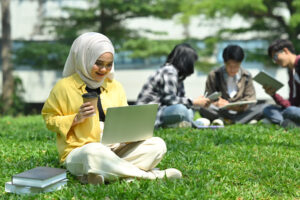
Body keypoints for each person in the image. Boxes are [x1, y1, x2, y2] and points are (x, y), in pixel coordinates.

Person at [42, 32, 182, 185]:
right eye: (99, 63)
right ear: (84, 58)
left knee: (157, 145)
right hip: (81, 150)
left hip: (116, 148)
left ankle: (100, 174)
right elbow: (49, 119)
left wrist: (134, 130)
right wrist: (76, 118)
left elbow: (125, 119)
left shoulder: (115, 87)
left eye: (109, 65)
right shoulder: (63, 87)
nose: (104, 70)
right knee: (93, 152)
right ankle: (150, 176)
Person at [136, 43, 211, 128]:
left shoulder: (178, 76)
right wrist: (193, 102)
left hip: (162, 109)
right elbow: (170, 99)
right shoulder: (169, 71)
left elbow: (181, 99)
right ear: (186, 61)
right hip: (148, 114)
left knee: (189, 110)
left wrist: (197, 103)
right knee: (181, 110)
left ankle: (179, 123)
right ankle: (180, 122)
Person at [199, 44, 266, 124]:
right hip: (221, 111)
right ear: (224, 62)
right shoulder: (214, 75)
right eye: (230, 66)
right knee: (203, 108)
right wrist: (217, 103)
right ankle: (240, 121)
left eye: (236, 66)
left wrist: (241, 107)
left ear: (241, 63)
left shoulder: (247, 75)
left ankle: (226, 121)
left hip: (241, 112)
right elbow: (208, 98)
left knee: (263, 107)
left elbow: (251, 98)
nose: (233, 69)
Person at [262, 39, 300, 128]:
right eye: (273, 59)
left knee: (290, 111)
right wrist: (273, 94)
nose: (275, 61)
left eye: (275, 57)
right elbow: (291, 104)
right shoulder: (291, 73)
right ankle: (291, 124)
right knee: (268, 109)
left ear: (285, 51)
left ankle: (287, 124)